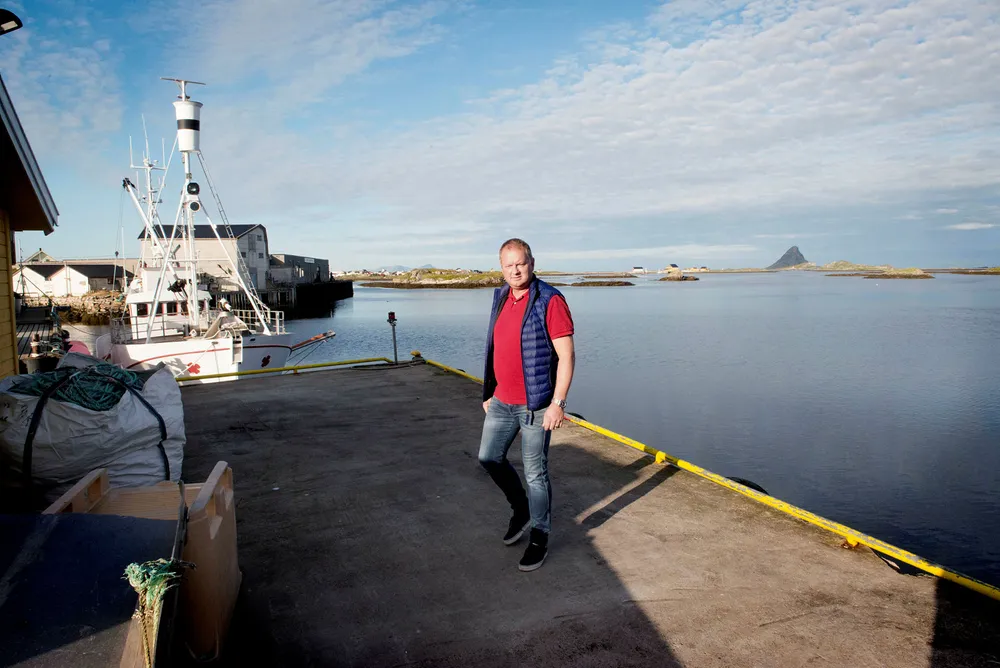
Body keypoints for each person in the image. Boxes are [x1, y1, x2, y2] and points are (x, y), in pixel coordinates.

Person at [478, 238, 575, 572]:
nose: (515, 270)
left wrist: (558, 403)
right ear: (501, 268)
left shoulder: (550, 300)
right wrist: (490, 390)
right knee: (489, 458)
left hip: (536, 405)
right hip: (501, 400)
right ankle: (520, 509)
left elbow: (566, 357)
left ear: (532, 263)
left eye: (520, 263)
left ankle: (539, 535)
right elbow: (496, 346)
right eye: (509, 265)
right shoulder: (502, 296)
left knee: (536, 473)